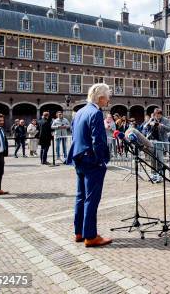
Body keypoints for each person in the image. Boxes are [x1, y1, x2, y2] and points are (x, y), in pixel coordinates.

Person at [66, 83, 112, 247]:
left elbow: (75, 135)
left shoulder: (79, 112)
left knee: (81, 196)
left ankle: (79, 232)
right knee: (92, 199)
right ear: (100, 98)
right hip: (92, 161)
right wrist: (101, 160)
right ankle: (91, 236)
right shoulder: (96, 113)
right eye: (107, 98)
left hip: (79, 159)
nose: (108, 101)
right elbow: (98, 140)